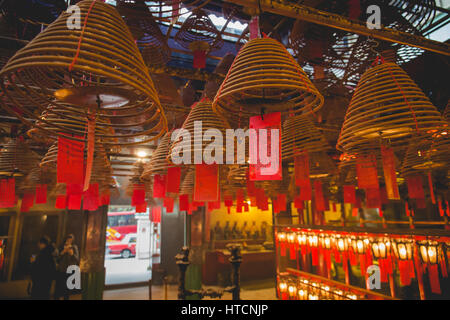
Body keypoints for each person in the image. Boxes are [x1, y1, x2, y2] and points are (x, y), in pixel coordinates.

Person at [54, 234, 79, 300]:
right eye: (68, 239)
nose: (69, 241)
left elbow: (76, 259)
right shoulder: (61, 246)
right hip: (61, 270)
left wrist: (72, 254)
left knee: (67, 289)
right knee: (58, 288)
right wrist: (63, 252)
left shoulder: (74, 247)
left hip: (69, 270)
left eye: (71, 240)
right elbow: (56, 258)